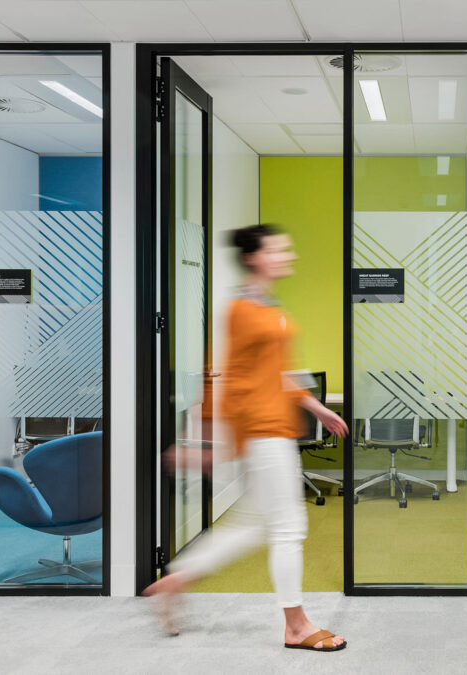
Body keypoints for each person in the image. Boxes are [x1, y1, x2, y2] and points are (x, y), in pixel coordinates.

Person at [143, 223, 349, 652]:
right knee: (289, 528)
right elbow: (225, 374)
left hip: (274, 428)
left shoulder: (268, 304)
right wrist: (203, 439)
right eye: (278, 250)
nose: (287, 256)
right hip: (263, 432)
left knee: (254, 526)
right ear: (254, 256)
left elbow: (278, 371)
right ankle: (296, 626)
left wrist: (316, 407)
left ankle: (176, 581)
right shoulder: (241, 308)